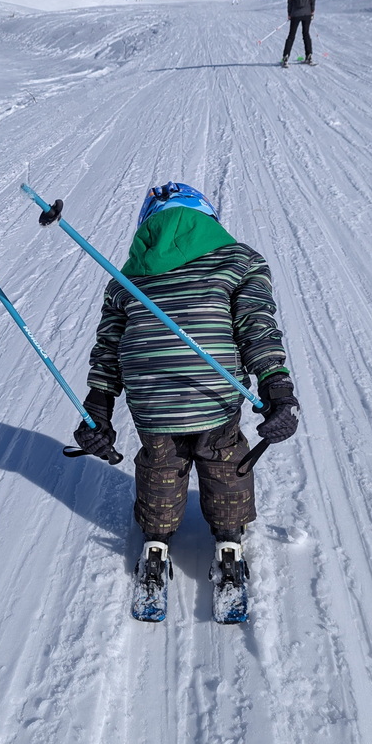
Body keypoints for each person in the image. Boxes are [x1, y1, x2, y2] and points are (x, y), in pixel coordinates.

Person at [73, 182, 299, 591]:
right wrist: (276, 390)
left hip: (151, 400)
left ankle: (156, 542)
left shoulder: (123, 277)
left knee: (162, 463)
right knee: (223, 459)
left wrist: (98, 409)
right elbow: (257, 329)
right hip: (214, 391)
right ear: (206, 217)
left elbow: (108, 346)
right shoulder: (240, 259)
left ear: (147, 225)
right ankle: (228, 543)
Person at [282, 0, 315, 67]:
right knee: (306, 34)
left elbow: (290, 2)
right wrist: (312, 10)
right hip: (307, 14)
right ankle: (309, 55)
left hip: (295, 14)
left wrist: (289, 13)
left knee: (291, 35)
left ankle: (286, 56)